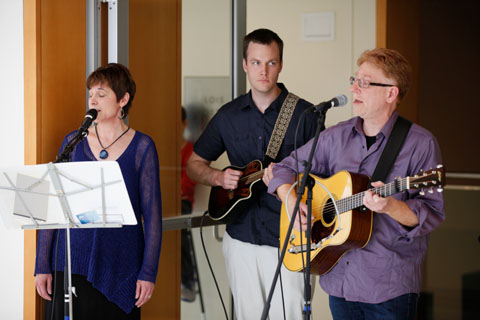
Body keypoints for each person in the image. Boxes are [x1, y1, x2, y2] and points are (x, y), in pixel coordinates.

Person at [268, 48, 445, 319]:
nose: (353, 89)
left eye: (364, 82)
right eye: (354, 80)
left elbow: (431, 213)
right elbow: (283, 167)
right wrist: (291, 201)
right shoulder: (334, 137)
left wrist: (389, 207)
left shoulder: (420, 143)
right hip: (339, 277)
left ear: (391, 93)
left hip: (388, 285)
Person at [187, 28, 317, 319]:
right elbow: (194, 165)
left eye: (271, 62)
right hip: (241, 236)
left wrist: (290, 181)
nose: (263, 70)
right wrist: (219, 178)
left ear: (281, 64)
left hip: (289, 236)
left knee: (291, 315)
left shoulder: (305, 115)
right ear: (245, 64)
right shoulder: (227, 115)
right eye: (256, 62)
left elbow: (322, 175)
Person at [34, 63, 163, 319]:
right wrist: (42, 265)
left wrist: (148, 272)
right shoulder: (73, 142)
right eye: (91, 94)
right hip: (71, 264)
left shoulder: (142, 147)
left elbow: (153, 217)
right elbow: (53, 206)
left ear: (123, 100)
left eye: (101, 94)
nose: (93, 100)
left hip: (120, 264)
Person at [180, 106, 198, 302]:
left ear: (184, 124)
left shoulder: (190, 150)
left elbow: (187, 184)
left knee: (177, 231)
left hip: (182, 203)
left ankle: (186, 280)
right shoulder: (162, 147)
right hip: (164, 201)